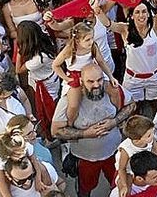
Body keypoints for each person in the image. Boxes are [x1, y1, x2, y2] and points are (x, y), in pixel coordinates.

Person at [51, 63, 136, 197]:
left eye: (99, 80)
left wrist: (114, 122)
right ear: (81, 81)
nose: (96, 85)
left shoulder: (112, 89)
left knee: (119, 184)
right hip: (85, 158)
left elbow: (131, 105)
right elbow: (55, 131)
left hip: (114, 153)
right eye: (90, 81)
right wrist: (85, 134)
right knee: (85, 189)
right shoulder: (69, 99)